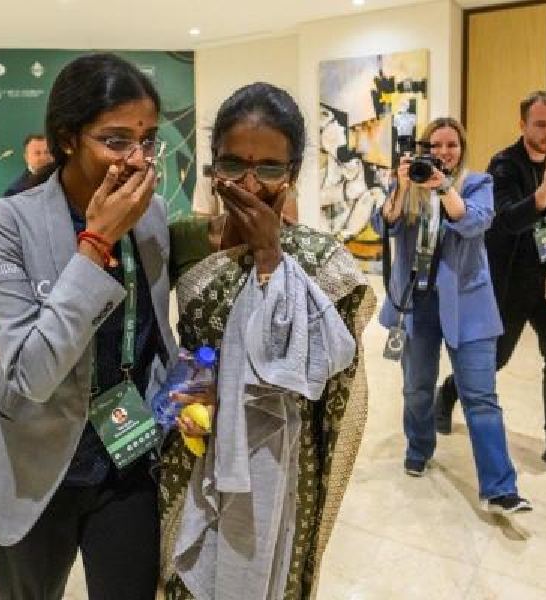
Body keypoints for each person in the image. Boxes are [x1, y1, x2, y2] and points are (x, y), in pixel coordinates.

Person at [0, 53, 178, 600]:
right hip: (35, 459)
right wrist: (96, 243)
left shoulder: (153, 213)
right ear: (68, 138)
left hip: (127, 451)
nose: (136, 159)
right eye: (116, 140)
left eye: (147, 140)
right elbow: (32, 373)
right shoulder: (2, 225)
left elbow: (152, 333)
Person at [160, 82, 376, 599]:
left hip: (279, 457)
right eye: (233, 165)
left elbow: (330, 368)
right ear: (213, 166)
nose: (249, 184)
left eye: (270, 169)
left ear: (294, 172)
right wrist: (181, 387)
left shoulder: (321, 259)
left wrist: (270, 258)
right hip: (196, 443)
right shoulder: (183, 240)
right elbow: (152, 337)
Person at [435, 91, 546, 483]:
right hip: (508, 282)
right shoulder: (503, 166)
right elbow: (506, 222)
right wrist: (545, 192)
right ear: (523, 125)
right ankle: (446, 394)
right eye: (541, 124)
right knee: (493, 360)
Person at [371, 117, 532, 514]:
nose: (443, 152)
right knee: (417, 388)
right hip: (417, 303)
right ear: (423, 149)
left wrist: (442, 186)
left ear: (462, 149)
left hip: (468, 305)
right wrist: (401, 185)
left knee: (480, 396)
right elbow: (383, 225)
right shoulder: (407, 184)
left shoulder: (478, 183)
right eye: (435, 145)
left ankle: (500, 488)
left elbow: (474, 222)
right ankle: (419, 447)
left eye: (451, 145)